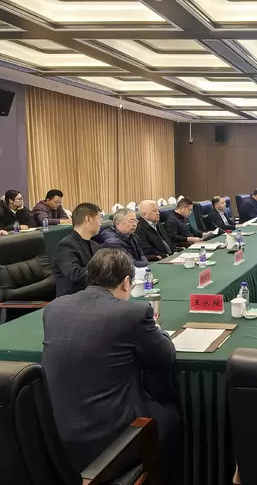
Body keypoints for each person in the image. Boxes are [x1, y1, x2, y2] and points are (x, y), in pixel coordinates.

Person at [42, 249, 179, 480]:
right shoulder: (132, 313)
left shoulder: (54, 308)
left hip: (55, 438)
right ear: (126, 282)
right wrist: (159, 331)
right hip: (107, 442)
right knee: (170, 417)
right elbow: (165, 356)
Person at [52, 202, 102, 297]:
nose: (101, 223)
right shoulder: (65, 246)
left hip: (93, 296)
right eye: (99, 219)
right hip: (73, 300)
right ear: (88, 219)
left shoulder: (95, 246)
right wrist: (104, 273)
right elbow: (75, 274)